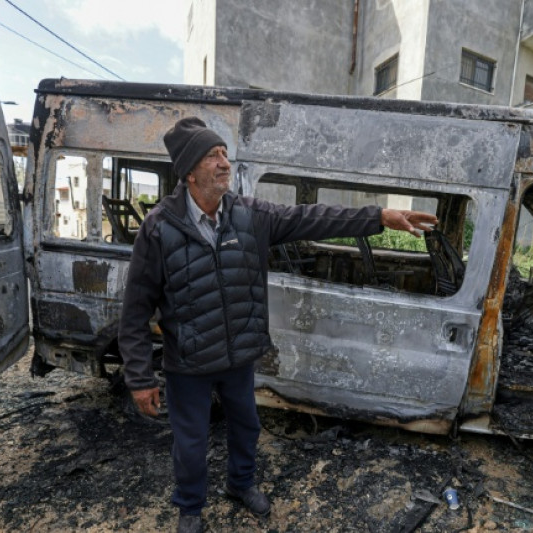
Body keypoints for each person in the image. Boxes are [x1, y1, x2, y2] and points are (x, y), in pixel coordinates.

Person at [118, 117, 438, 533]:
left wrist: (379, 217)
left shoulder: (250, 216)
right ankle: (190, 507)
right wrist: (139, 377)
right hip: (188, 362)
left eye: (224, 154)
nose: (224, 163)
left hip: (239, 356)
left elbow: (313, 218)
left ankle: (240, 484)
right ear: (190, 172)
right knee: (191, 444)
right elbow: (135, 308)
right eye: (212, 156)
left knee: (246, 427)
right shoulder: (159, 229)